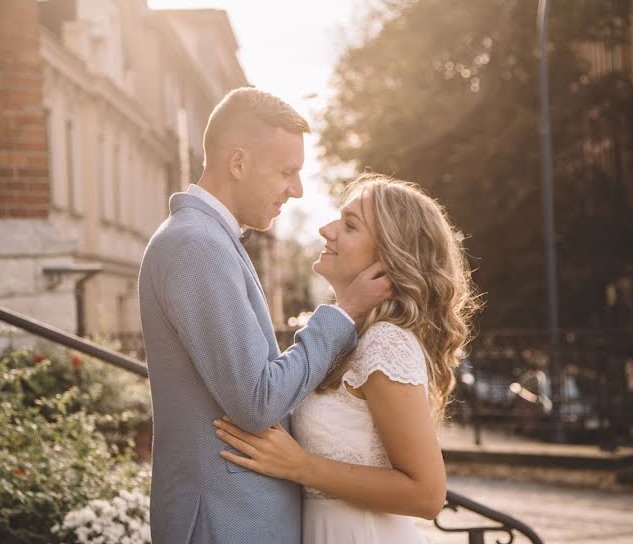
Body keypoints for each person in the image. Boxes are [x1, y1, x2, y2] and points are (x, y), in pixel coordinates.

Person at [138, 88, 392, 543]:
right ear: (238, 163)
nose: (297, 190)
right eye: (287, 172)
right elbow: (258, 402)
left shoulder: (210, 239)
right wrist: (345, 312)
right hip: (224, 524)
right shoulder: (197, 244)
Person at [215, 173, 480, 543]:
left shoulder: (385, 343)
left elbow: (427, 494)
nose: (326, 229)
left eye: (349, 225)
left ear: (389, 256)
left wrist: (300, 466)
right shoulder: (346, 339)